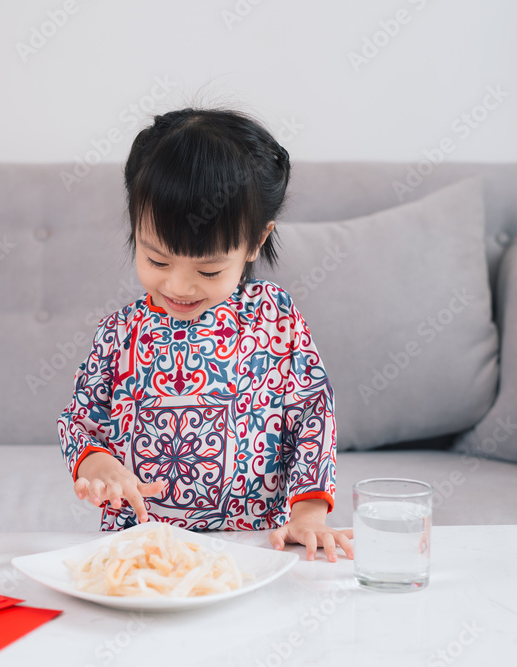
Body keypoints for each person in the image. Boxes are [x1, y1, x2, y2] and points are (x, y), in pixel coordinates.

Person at [57, 107, 352, 562]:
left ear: (255, 242)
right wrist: (98, 464)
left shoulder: (275, 317)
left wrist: (308, 515)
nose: (178, 286)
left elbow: (312, 415)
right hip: (141, 550)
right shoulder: (120, 333)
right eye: (157, 261)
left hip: (253, 547)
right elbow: (82, 419)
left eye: (208, 269)